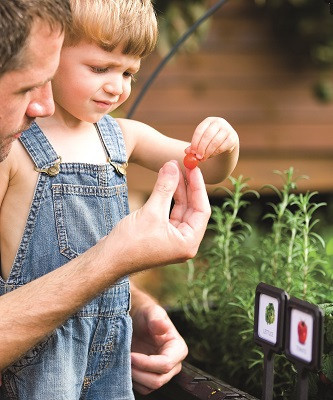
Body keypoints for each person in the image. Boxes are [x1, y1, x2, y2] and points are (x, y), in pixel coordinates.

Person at [0, 0, 239, 398]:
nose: (117, 86)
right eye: (99, 68)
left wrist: (223, 143)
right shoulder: (15, 148)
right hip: (39, 347)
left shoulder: (123, 137)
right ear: (53, 53)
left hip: (112, 336)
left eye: (129, 72)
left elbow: (207, 170)